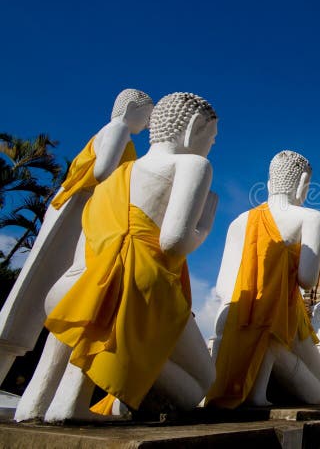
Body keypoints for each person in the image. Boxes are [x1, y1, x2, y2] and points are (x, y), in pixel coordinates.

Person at [15, 92, 218, 422]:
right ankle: (77, 402)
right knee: (201, 385)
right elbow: (174, 243)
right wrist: (205, 225)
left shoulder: (115, 177)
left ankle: (34, 403)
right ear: (193, 127)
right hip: (136, 287)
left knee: (88, 297)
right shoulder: (193, 164)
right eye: (211, 137)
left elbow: (94, 243)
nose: (211, 146)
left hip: (73, 288)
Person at [0, 89, 153, 385]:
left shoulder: (108, 131)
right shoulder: (119, 129)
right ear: (130, 108)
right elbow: (105, 170)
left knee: (47, 289)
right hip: (86, 208)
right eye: (146, 116)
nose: (147, 125)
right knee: (45, 287)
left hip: (80, 205)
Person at [207, 150, 320, 408]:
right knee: (317, 392)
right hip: (280, 314)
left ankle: (257, 367)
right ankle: (269, 353)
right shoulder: (311, 217)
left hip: (235, 315)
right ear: (304, 182)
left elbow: (222, 287)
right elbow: (306, 280)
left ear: (270, 183)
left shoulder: (240, 221)